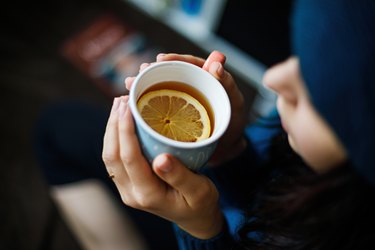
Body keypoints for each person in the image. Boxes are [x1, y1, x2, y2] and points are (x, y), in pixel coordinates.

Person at [101, 0, 375, 249]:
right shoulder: (292, 128)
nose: (273, 79)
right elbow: (262, 176)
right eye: (301, 58)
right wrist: (230, 151)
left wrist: (201, 230)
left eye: (314, 91)